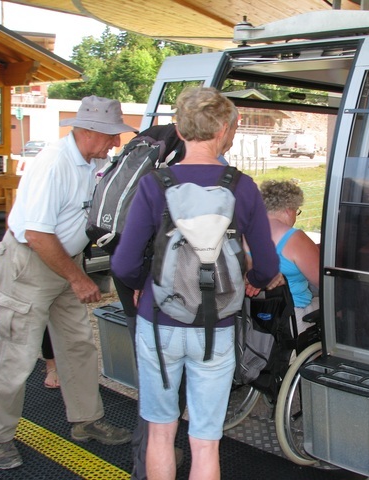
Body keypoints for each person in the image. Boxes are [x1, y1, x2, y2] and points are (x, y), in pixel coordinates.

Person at [111, 86, 282, 480]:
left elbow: (123, 263)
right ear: (224, 128)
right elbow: (268, 262)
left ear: (180, 130)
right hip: (218, 325)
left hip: (159, 322)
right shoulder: (241, 186)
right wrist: (251, 282)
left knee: (160, 431)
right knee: (205, 440)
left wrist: (145, 284)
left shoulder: (155, 184)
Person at [0, 95, 136, 470]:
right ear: (88, 130)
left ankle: (85, 420)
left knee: (78, 345)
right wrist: (78, 278)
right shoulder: (54, 163)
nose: (116, 143)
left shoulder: (91, 161)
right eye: (112, 135)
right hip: (31, 264)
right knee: (17, 355)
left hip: (65, 261)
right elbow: (36, 234)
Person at [259, 180, 320, 333]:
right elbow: (324, 282)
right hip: (293, 314)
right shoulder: (294, 238)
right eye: (297, 211)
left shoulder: (246, 231)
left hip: (257, 314)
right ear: (288, 209)